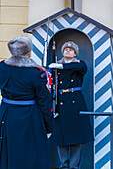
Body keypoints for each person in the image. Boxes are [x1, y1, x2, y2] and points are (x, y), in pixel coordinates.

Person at [0, 36, 54, 169]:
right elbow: (45, 102)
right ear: (28, 52)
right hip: (31, 118)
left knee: (8, 151)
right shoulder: (36, 73)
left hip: (7, 115)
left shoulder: (1, 67)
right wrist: (49, 126)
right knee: (31, 155)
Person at [49, 41, 94, 169]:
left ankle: (74, 166)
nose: (67, 51)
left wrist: (61, 67)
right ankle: (64, 165)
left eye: (71, 50)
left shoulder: (80, 64)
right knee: (60, 138)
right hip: (60, 103)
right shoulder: (56, 66)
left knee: (76, 137)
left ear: (75, 54)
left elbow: (80, 68)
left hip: (75, 103)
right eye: (65, 50)